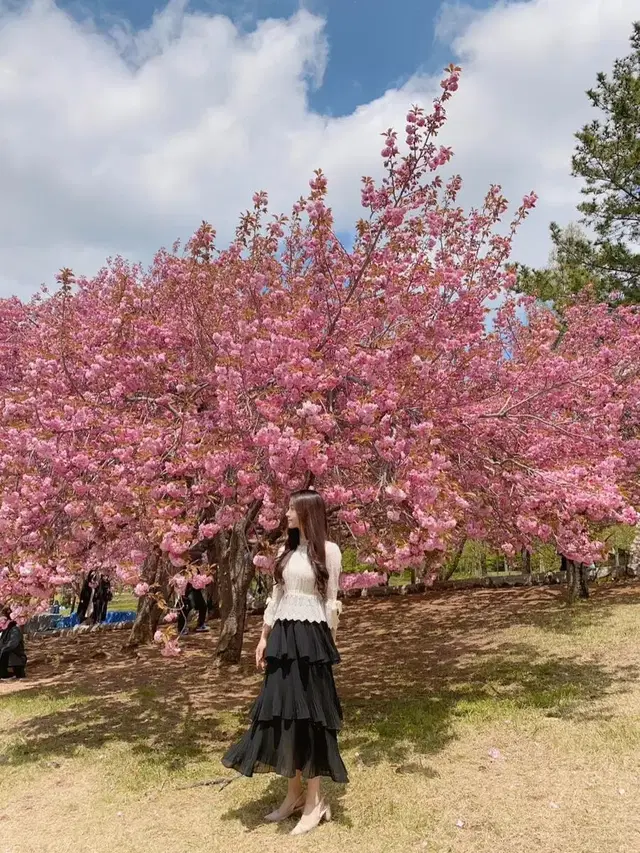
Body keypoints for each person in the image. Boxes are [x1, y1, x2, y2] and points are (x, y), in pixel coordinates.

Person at [222, 489, 348, 835]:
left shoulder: (330, 552)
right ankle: (292, 795)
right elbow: (276, 597)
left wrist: (328, 649)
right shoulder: (285, 551)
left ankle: (314, 801)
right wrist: (263, 637)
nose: (287, 514)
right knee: (283, 714)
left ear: (308, 513)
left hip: (312, 641)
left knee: (311, 717)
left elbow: (331, 601)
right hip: (282, 638)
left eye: (293, 509)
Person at [0, 607, 27, 680]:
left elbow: (12, 644)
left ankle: (8, 674)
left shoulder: (14, 629)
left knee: (4, 652)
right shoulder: (5, 630)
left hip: (15, 660)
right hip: (9, 660)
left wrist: (2, 649)